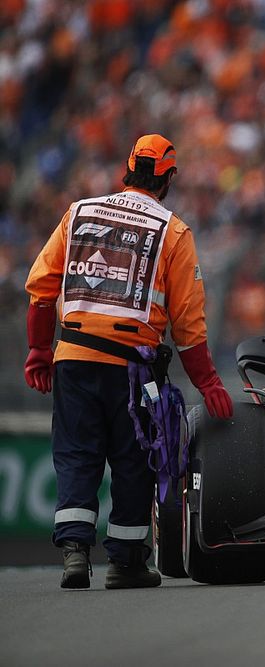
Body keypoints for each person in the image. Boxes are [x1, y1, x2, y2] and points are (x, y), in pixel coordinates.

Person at [24, 134, 234, 589]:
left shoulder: (79, 213)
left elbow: (41, 290)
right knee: (135, 459)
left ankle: (75, 554)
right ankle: (126, 561)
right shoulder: (173, 232)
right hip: (131, 370)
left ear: (128, 166)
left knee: (76, 455)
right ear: (169, 178)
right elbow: (188, 324)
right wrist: (209, 382)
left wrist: (40, 349)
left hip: (73, 359)